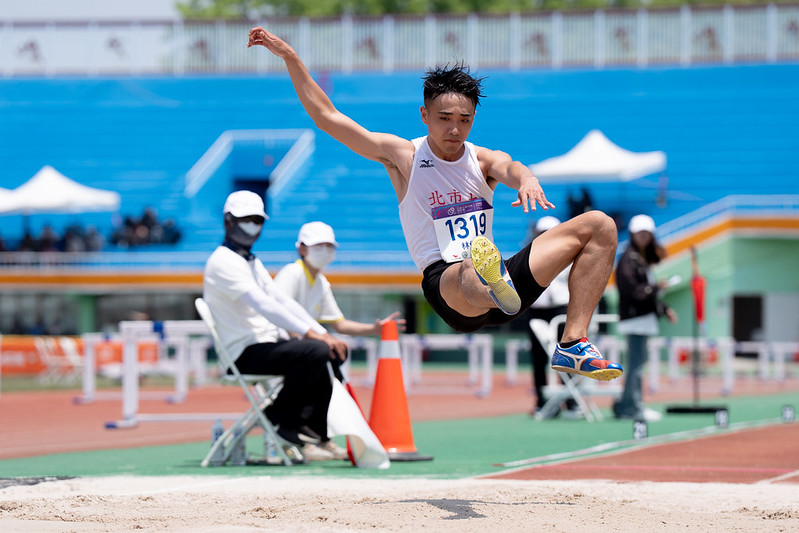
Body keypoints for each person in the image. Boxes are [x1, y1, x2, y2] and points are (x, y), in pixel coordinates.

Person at [247, 27, 623, 381]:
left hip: (502, 280)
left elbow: (511, 166)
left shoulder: (481, 160)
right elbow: (328, 118)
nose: (455, 129)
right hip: (450, 285)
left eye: (465, 119)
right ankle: (493, 282)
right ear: (425, 115)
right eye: (444, 119)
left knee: (600, 224)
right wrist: (291, 58)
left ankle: (572, 343)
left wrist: (527, 179)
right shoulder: (405, 156)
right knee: (473, 267)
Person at [203, 190, 351, 461]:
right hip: (242, 353)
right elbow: (264, 305)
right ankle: (280, 420)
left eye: (257, 220)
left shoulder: (251, 261)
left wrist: (321, 334)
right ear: (228, 221)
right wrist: (313, 335)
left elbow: (280, 300)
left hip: (265, 344)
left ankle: (314, 432)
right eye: (246, 219)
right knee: (314, 351)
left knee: (329, 352)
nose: (252, 226)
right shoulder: (222, 261)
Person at [274, 221, 406, 338]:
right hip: (276, 340)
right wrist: (305, 337)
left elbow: (340, 325)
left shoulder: (321, 282)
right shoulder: (292, 272)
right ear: (302, 249)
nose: (325, 250)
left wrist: (374, 329)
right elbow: (277, 310)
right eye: (318, 246)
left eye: (329, 246)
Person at [613, 214, 678, 421]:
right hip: (635, 320)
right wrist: (656, 288)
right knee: (636, 366)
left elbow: (646, 293)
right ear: (632, 234)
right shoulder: (628, 258)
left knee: (637, 364)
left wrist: (663, 308)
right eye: (640, 233)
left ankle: (626, 406)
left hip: (642, 319)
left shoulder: (641, 258)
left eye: (647, 234)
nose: (644, 237)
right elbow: (633, 291)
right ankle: (633, 407)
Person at [524, 216, 580, 418]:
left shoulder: (570, 253)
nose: (545, 235)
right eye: (542, 231)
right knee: (538, 358)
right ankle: (543, 402)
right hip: (536, 309)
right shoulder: (527, 254)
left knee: (566, 355)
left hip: (560, 308)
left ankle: (572, 402)